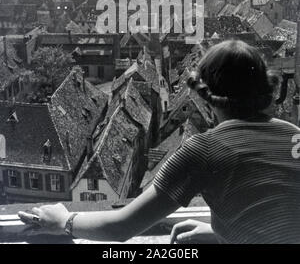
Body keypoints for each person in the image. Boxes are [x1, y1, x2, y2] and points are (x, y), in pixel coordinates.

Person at [19, 40, 300, 244]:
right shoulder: (293, 134)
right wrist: (220, 232)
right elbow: (278, 212)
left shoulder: (206, 149)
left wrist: (63, 221)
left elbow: (122, 227)